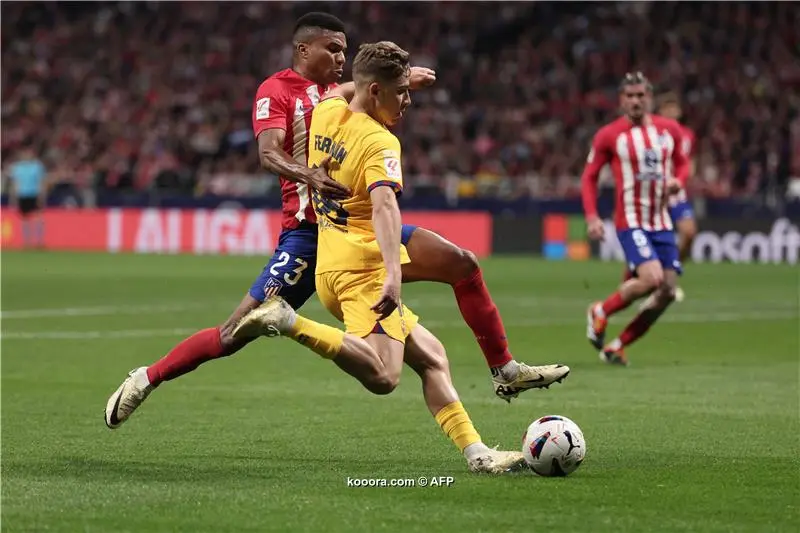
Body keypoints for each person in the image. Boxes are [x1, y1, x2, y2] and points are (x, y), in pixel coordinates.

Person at [105, 12, 568, 430]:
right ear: (303, 49)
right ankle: (149, 377)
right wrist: (309, 173)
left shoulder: (333, 95)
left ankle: (505, 370)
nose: (342, 57)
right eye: (333, 48)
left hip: (357, 227)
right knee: (234, 332)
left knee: (461, 263)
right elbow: (268, 154)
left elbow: (366, 87)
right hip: (308, 237)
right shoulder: (276, 91)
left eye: (346, 50)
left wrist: (404, 81)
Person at [233, 41, 524, 473]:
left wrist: (382, 79)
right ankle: (287, 320)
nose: (407, 101)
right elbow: (386, 208)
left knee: (433, 357)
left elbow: (340, 92)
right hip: (364, 270)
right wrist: (393, 275)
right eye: (401, 91)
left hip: (330, 261)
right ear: (374, 93)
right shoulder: (380, 142)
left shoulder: (328, 113)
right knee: (385, 377)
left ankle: (477, 454)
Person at [581, 72, 689, 366]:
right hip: (631, 220)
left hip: (661, 221)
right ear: (621, 100)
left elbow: (682, 162)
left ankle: (617, 346)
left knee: (666, 291)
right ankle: (600, 311)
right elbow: (589, 177)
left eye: (641, 95)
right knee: (651, 278)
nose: (636, 101)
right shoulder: (609, 135)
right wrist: (592, 217)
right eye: (630, 96)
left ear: (649, 98)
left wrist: (678, 180)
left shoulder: (670, 131)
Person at [657, 92, 697, 302]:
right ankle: (628, 281)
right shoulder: (654, 132)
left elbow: (688, 161)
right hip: (655, 191)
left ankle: (672, 276)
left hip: (677, 192)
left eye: (674, 107)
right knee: (649, 238)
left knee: (689, 233)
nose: (671, 111)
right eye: (667, 107)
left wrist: (687, 177)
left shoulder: (688, 135)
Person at [6, 146, 48, 249]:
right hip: (22, 195)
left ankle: (39, 242)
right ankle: (27, 242)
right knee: (25, 220)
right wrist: (13, 198)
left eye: (29, 153)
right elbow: (15, 184)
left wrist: (41, 196)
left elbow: (41, 182)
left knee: (39, 218)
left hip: (34, 194)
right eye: (25, 153)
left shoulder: (37, 166)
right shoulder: (17, 168)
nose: (26, 155)